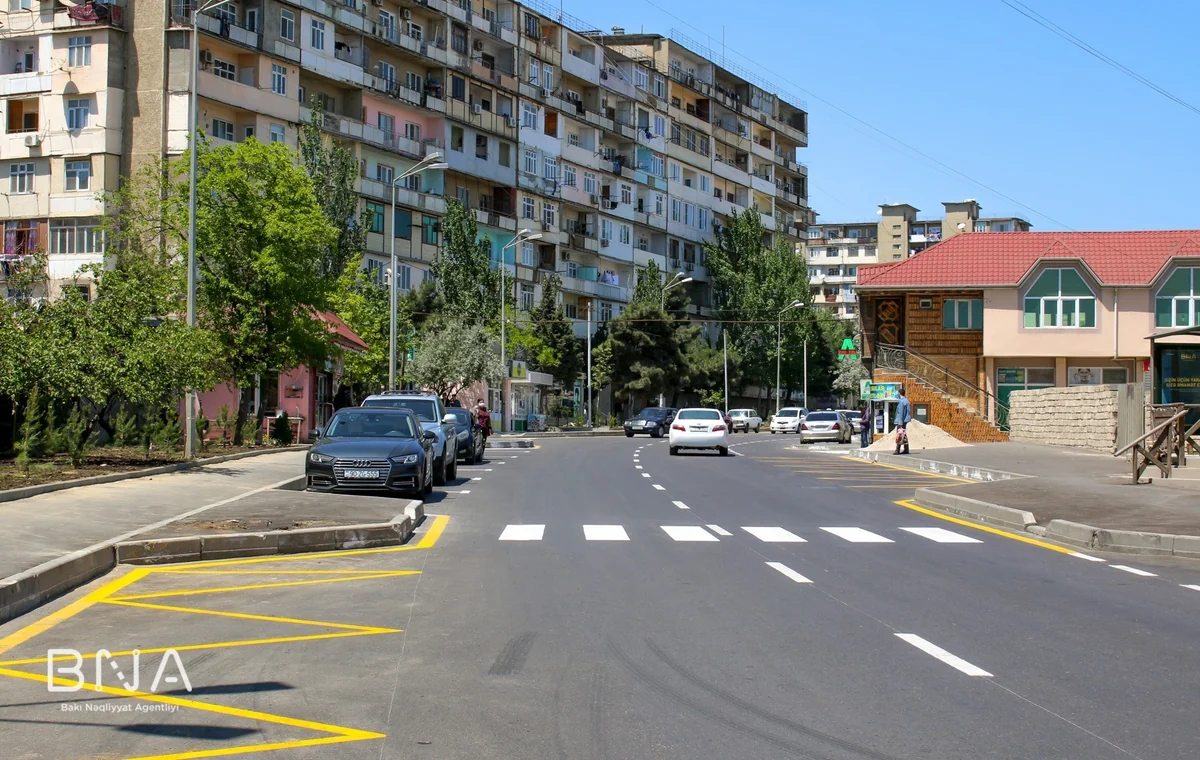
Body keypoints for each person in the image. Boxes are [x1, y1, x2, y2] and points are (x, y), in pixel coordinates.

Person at [894, 388, 912, 455]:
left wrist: (900, 423)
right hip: (905, 420)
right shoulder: (907, 401)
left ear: (899, 393)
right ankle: (906, 449)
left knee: (899, 434)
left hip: (901, 421)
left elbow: (901, 413)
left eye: (898, 393)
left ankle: (897, 450)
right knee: (903, 434)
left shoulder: (901, 402)